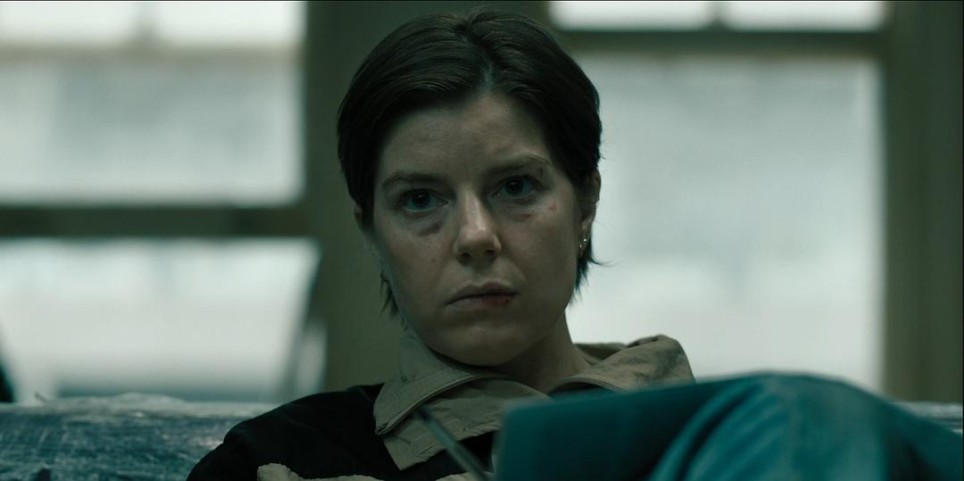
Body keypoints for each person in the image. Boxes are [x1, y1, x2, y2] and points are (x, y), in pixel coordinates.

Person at [189, 10, 961, 481]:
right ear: (371, 229)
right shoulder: (284, 457)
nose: (477, 237)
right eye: (420, 200)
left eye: (516, 187)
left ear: (585, 201)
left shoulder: (737, 434)